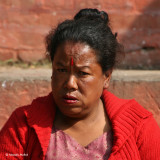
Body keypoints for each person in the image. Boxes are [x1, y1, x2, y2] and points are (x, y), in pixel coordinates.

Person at [0, 8, 160, 160]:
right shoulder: (22, 126)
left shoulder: (139, 127)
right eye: (61, 70)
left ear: (107, 76)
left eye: (83, 73)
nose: (70, 84)